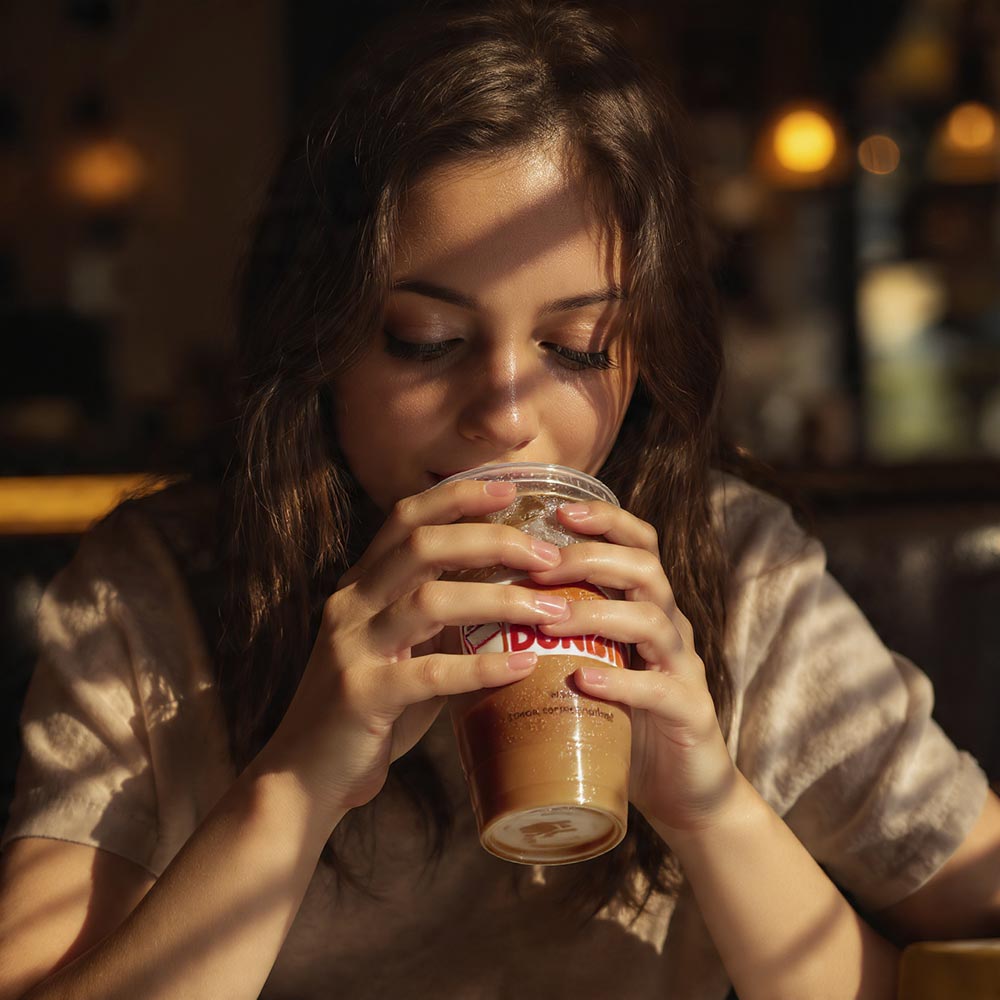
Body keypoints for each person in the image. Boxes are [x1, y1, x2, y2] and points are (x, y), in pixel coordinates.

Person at [1, 2, 998, 998]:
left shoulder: (732, 572)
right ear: (323, 341)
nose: (507, 416)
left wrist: (711, 806)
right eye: (426, 339)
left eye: (574, 347)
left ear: (642, 353)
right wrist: (296, 782)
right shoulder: (162, 595)